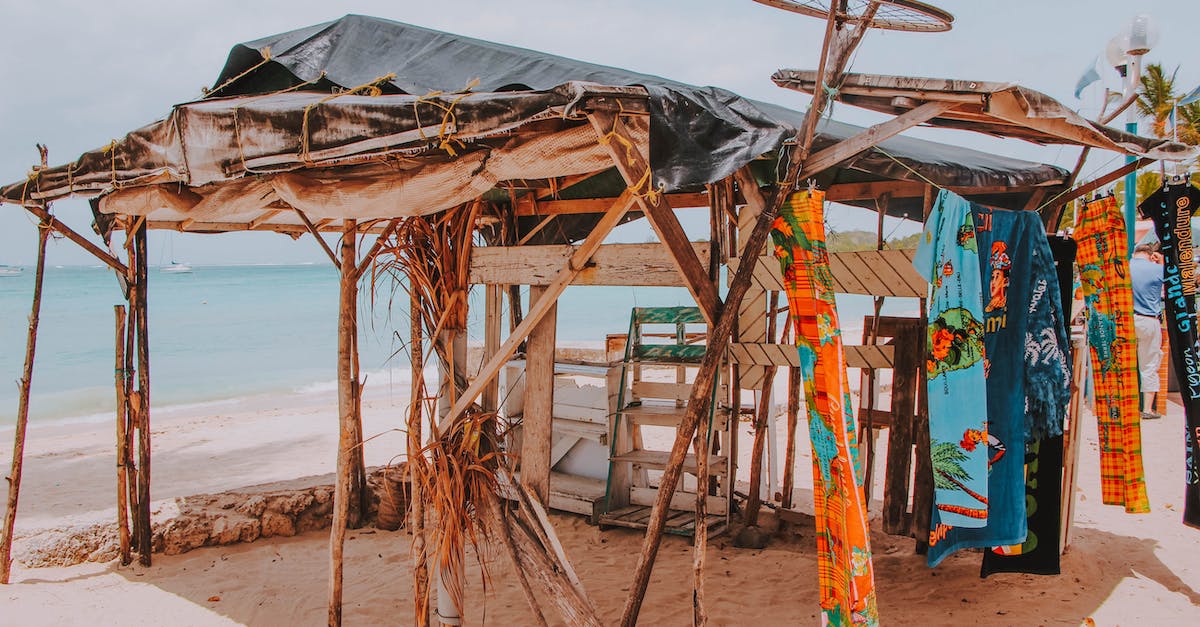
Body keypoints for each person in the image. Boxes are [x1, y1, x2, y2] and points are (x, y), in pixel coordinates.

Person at [1130, 242, 1164, 420]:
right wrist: (1161, 262)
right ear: (1152, 255)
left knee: (1123, 364)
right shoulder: (1157, 269)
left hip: (1126, 320)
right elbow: (1174, 282)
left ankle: (1123, 404)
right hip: (1149, 320)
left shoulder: (1125, 267)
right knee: (1149, 365)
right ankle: (1148, 409)